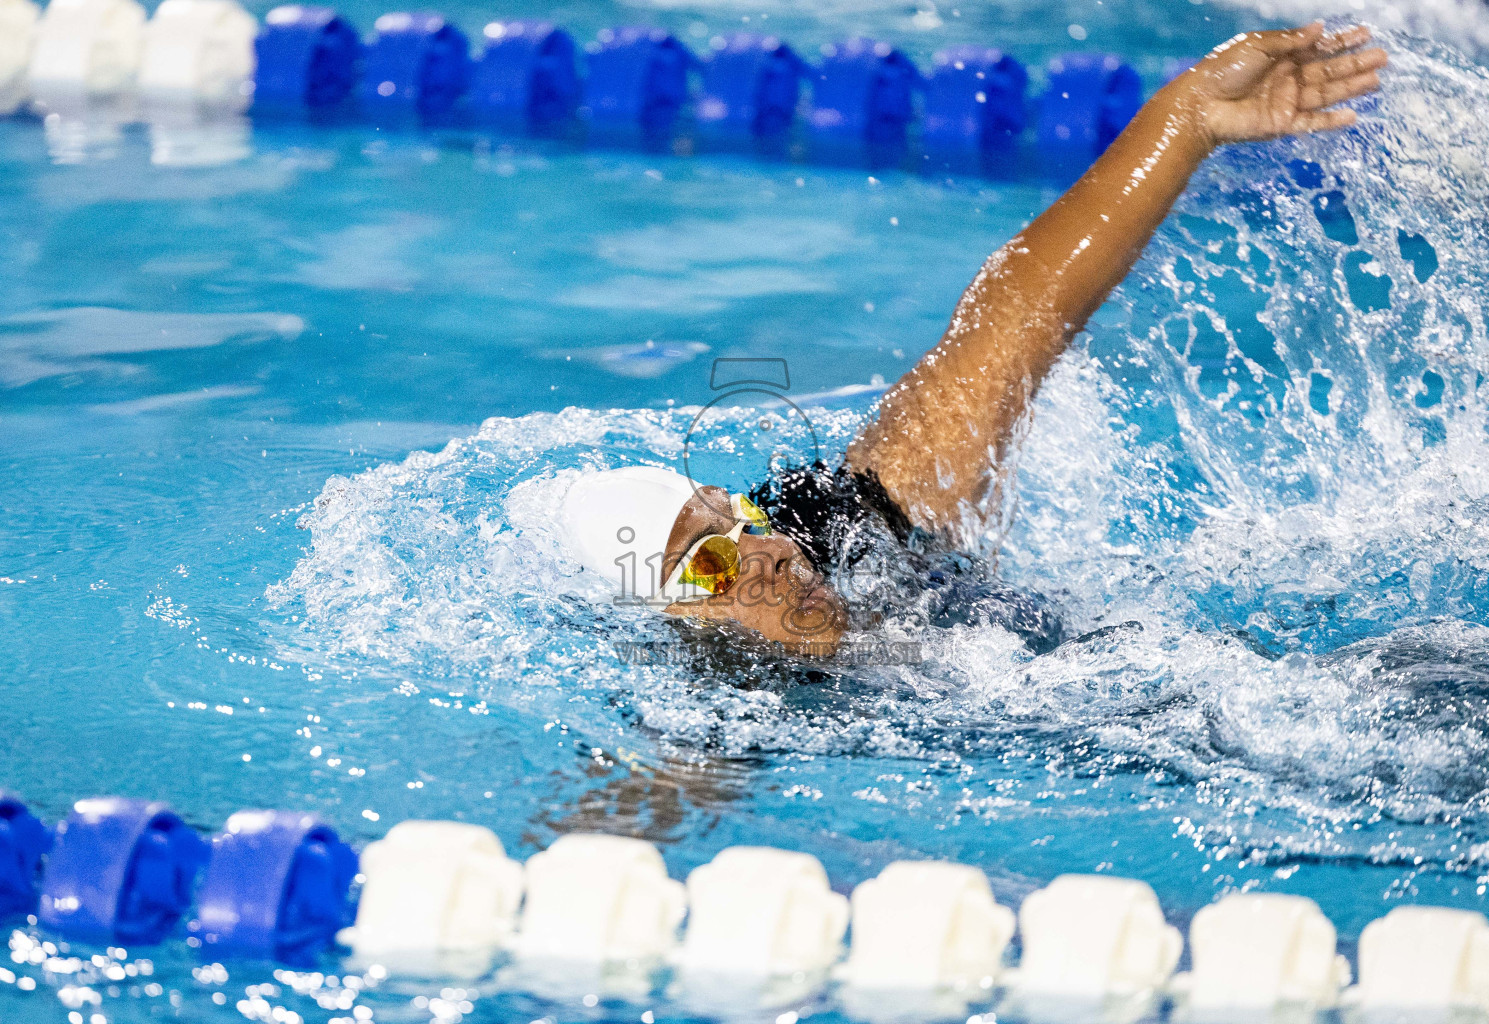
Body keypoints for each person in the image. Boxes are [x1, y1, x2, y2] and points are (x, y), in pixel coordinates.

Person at [563, 22, 1387, 656]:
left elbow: (1010, 321)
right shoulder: (707, 711)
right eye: (709, 565)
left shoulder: (851, 535)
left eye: (742, 521)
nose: (769, 556)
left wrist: (1186, 119)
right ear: (667, 618)